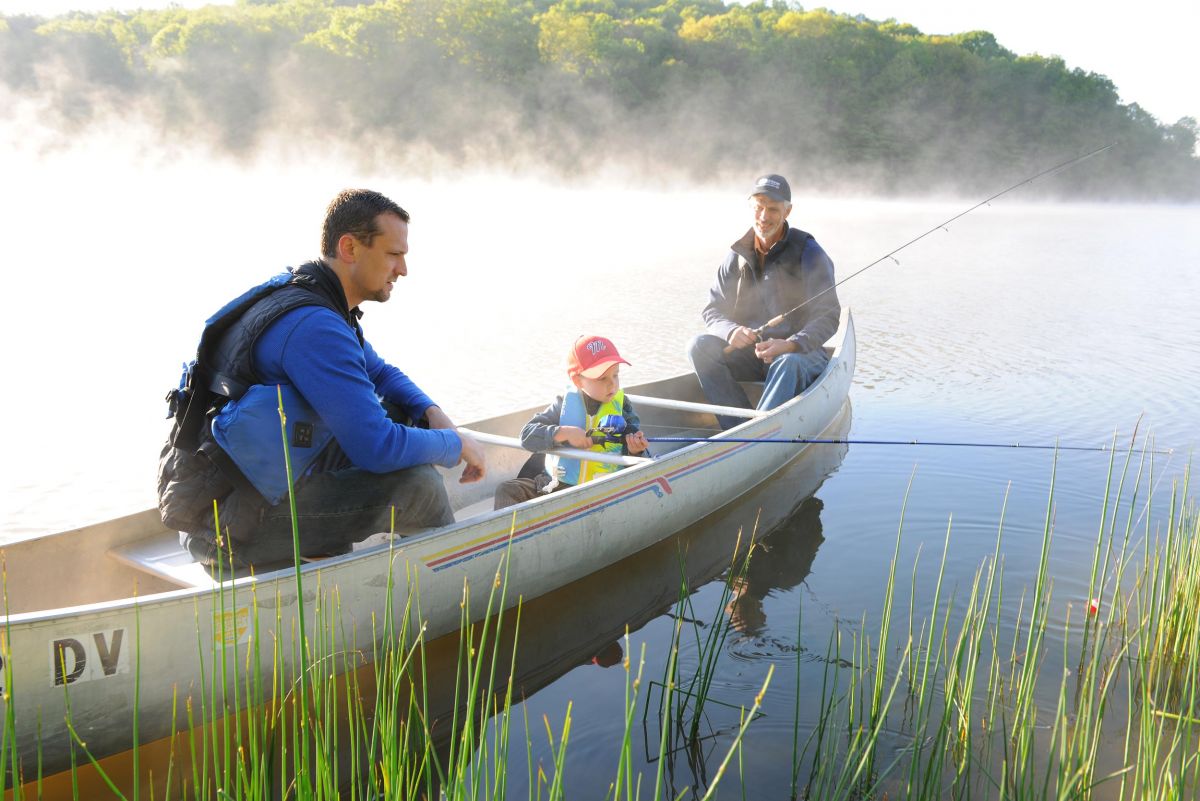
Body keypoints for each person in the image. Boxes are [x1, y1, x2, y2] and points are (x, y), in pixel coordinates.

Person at [158, 188, 486, 569]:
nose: (403, 269)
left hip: (230, 503)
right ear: (349, 248)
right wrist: (454, 443)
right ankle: (454, 584)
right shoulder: (315, 327)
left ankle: (331, 553)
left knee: (401, 414)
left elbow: (379, 372)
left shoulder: (308, 299)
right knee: (421, 488)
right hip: (231, 531)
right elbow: (376, 447)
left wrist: (433, 413)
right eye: (394, 254)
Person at [687, 174, 840, 429]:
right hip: (753, 356)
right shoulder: (736, 255)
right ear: (750, 207)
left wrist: (791, 344)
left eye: (772, 209)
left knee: (787, 363)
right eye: (758, 207)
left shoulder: (810, 253)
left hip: (801, 356)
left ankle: (756, 434)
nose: (764, 216)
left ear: (787, 211)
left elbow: (828, 317)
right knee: (698, 347)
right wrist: (731, 331)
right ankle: (737, 429)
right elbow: (713, 310)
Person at [493, 335, 650, 510]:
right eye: (602, 378)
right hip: (557, 485)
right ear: (577, 380)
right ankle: (512, 536)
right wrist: (564, 433)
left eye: (615, 375)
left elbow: (637, 453)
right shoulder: (563, 404)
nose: (612, 384)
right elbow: (526, 436)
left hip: (604, 489)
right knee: (506, 490)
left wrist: (636, 450)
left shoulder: (623, 407)